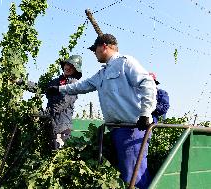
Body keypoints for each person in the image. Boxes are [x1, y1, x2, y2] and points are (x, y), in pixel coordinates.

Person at [47, 34, 157, 189]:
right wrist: (59, 89)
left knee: (134, 176)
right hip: (117, 129)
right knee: (126, 173)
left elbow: (147, 82)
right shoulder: (103, 73)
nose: (94, 53)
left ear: (104, 46)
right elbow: (82, 86)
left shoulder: (126, 63)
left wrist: (146, 113)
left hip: (132, 128)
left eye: (95, 49)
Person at [16, 55, 82, 150]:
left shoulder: (74, 84)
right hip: (50, 125)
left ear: (76, 70)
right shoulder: (56, 82)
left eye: (72, 66)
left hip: (62, 128)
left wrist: (42, 114)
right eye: (67, 64)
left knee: (58, 156)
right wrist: (20, 82)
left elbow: (62, 104)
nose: (68, 68)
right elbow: (39, 88)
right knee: (49, 154)